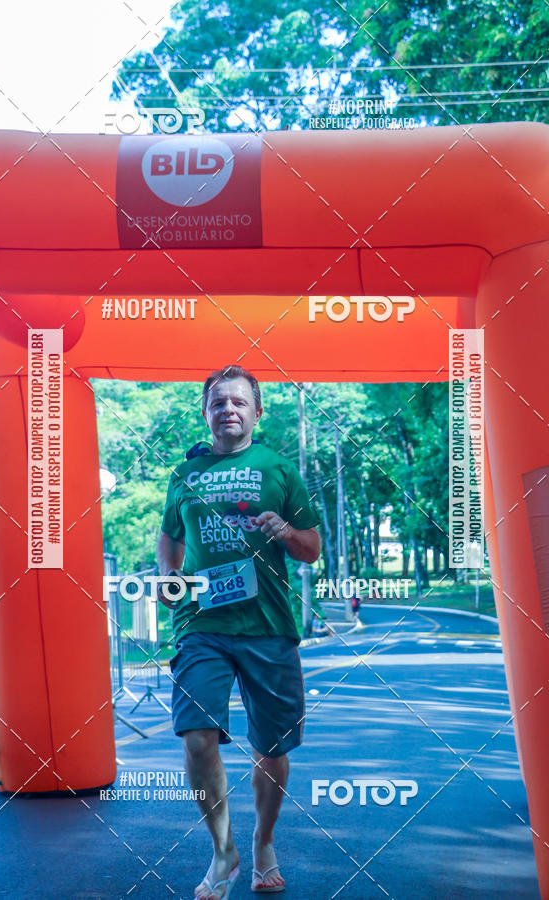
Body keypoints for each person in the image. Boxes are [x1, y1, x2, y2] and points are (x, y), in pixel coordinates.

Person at [156, 364, 320, 900]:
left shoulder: (279, 469)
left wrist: (286, 530)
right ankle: (223, 850)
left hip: (267, 625)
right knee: (196, 736)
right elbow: (169, 535)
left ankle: (263, 840)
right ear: (206, 412)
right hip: (201, 623)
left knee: (271, 746)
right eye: (218, 402)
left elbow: (311, 548)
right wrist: (168, 574)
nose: (228, 409)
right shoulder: (185, 475)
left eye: (239, 401)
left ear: (256, 411)